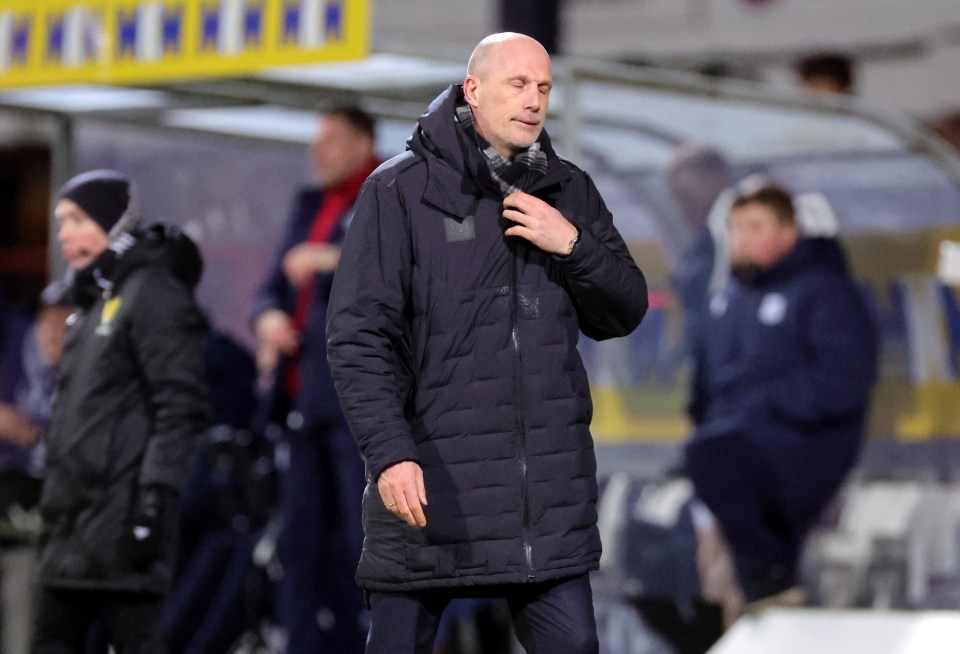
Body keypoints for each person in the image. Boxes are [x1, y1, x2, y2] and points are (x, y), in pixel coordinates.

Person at [326, 32, 649, 654]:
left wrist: (573, 245)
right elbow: (359, 337)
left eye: (544, 88)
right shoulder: (399, 191)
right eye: (518, 84)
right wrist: (390, 453)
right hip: (429, 486)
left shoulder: (569, 191)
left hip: (543, 505)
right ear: (473, 90)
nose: (534, 101)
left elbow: (624, 309)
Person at [33, 170, 209, 653]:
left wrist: (154, 501)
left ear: (113, 222)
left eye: (76, 219)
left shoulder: (152, 292)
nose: (64, 233)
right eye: (61, 221)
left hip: (124, 526)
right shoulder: (94, 301)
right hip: (72, 526)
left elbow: (180, 405)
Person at [684, 183, 878, 606]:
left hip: (807, 448)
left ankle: (771, 584)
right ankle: (765, 591)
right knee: (701, 461)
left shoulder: (827, 293)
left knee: (712, 454)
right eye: (737, 228)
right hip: (736, 457)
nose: (744, 237)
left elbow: (841, 382)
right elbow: (702, 389)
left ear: (790, 232)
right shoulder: (726, 302)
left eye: (757, 226)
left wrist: (759, 407)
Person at [251, 104, 380, 653]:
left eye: (329, 139)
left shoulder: (388, 191)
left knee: (362, 542)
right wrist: (268, 318)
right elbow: (271, 286)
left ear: (361, 143)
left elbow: (406, 265)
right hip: (301, 397)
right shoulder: (309, 204)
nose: (316, 150)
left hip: (357, 404)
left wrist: (330, 258)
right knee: (299, 542)